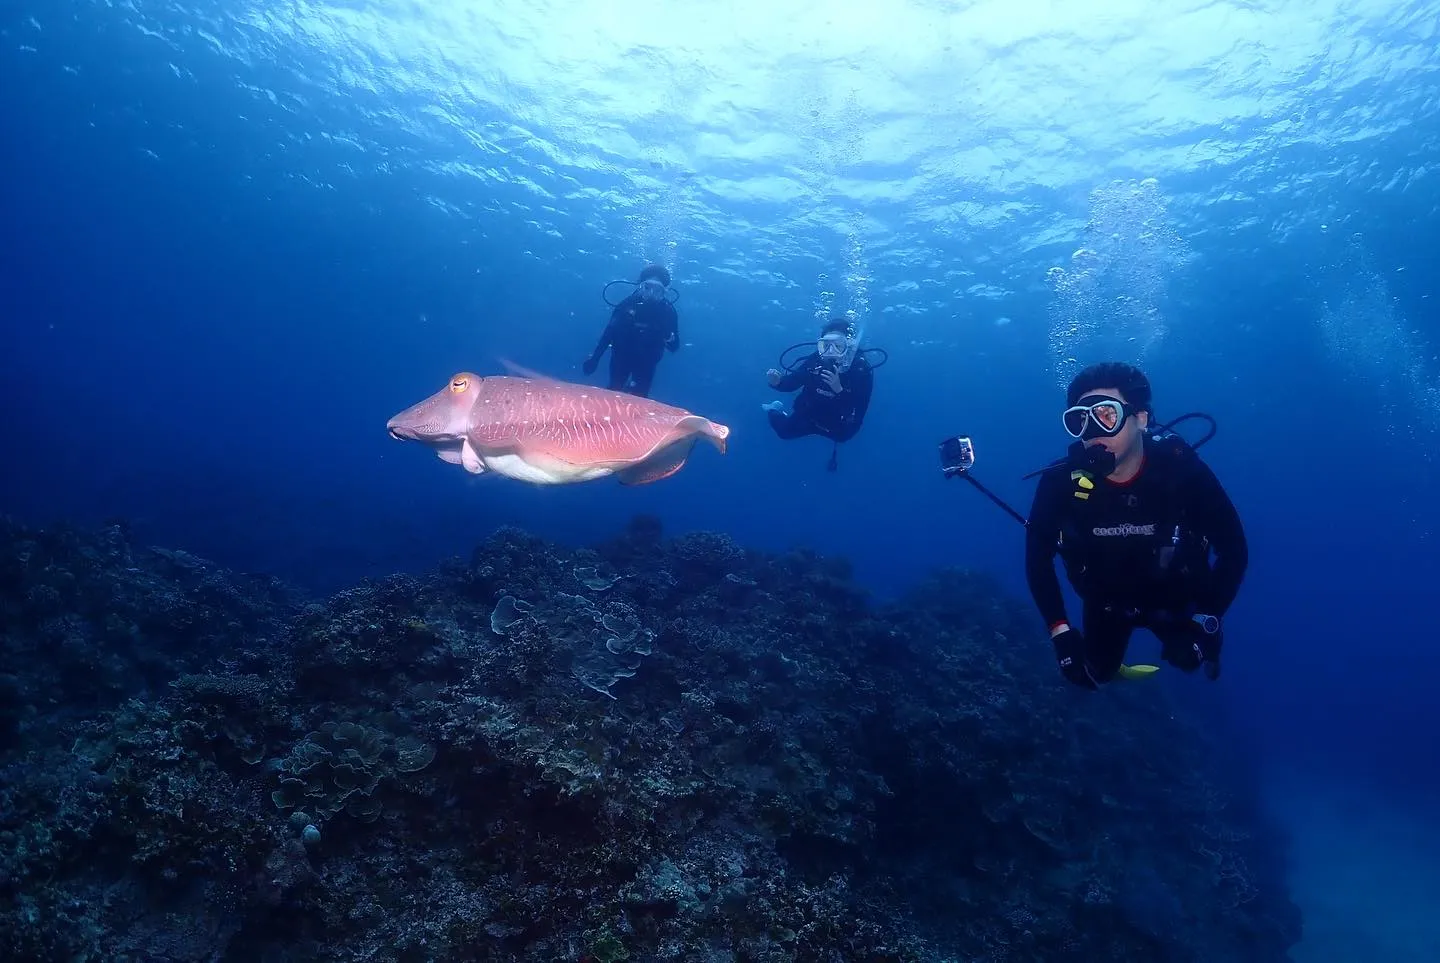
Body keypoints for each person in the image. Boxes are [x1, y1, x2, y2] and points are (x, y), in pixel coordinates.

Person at [1024, 362, 1247, 689]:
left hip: (1177, 599)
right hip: (1107, 603)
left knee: (1191, 661)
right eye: (1079, 421)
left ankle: (1208, 648)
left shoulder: (1180, 470)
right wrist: (1059, 631)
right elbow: (1037, 559)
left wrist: (1207, 620)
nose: (1093, 432)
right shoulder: (1060, 483)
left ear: (1141, 419)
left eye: (1107, 415)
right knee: (1095, 672)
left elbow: (1234, 550)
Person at [763, 319, 875, 468]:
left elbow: (857, 411)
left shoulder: (861, 369)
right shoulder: (816, 360)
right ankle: (774, 409)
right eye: (826, 345)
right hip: (809, 414)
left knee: (844, 436)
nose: (830, 351)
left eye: (838, 346)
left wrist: (839, 390)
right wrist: (777, 383)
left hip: (837, 422)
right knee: (784, 432)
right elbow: (793, 382)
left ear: (848, 346)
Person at [582, 263, 679, 398]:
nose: (651, 293)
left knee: (639, 397)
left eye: (657, 290)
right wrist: (595, 359)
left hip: (647, 361)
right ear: (640, 286)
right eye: (647, 287)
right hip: (622, 356)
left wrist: (668, 337)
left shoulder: (667, 312)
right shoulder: (627, 304)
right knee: (613, 391)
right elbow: (609, 333)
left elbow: (675, 346)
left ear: (664, 292)